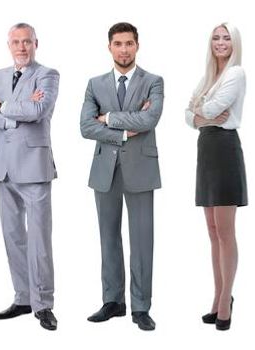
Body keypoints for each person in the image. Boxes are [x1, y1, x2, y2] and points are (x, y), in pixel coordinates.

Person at [0, 22, 61, 331]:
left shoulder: (48, 74)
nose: (21, 47)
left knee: (39, 239)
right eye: (16, 42)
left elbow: (38, 109)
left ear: (36, 43)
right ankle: (24, 298)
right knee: (12, 236)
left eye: (27, 42)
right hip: (4, 166)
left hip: (34, 166)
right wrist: (11, 116)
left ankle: (44, 304)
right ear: (8, 45)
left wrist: (1, 105)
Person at [81, 22, 165, 332]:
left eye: (129, 43)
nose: (124, 49)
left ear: (137, 45)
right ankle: (113, 301)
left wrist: (108, 118)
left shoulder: (153, 81)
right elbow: (85, 127)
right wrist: (125, 131)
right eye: (118, 44)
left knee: (142, 240)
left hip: (142, 169)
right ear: (110, 47)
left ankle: (141, 307)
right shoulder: (95, 84)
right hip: (105, 169)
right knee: (108, 238)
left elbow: (150, 118)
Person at [185, 23, 246, 331]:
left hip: (223, 150)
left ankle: (226, 300)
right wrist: (200, 114)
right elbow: (188, 114)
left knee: (225, 231)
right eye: (216, 38)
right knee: (211, 230)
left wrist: (200, 111)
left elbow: (213, 106)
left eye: (226, 38)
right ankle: (218, 296)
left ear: (234, 43)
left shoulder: (235, 73)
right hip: (206, 149)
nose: (221, 43)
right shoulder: (209, 76)